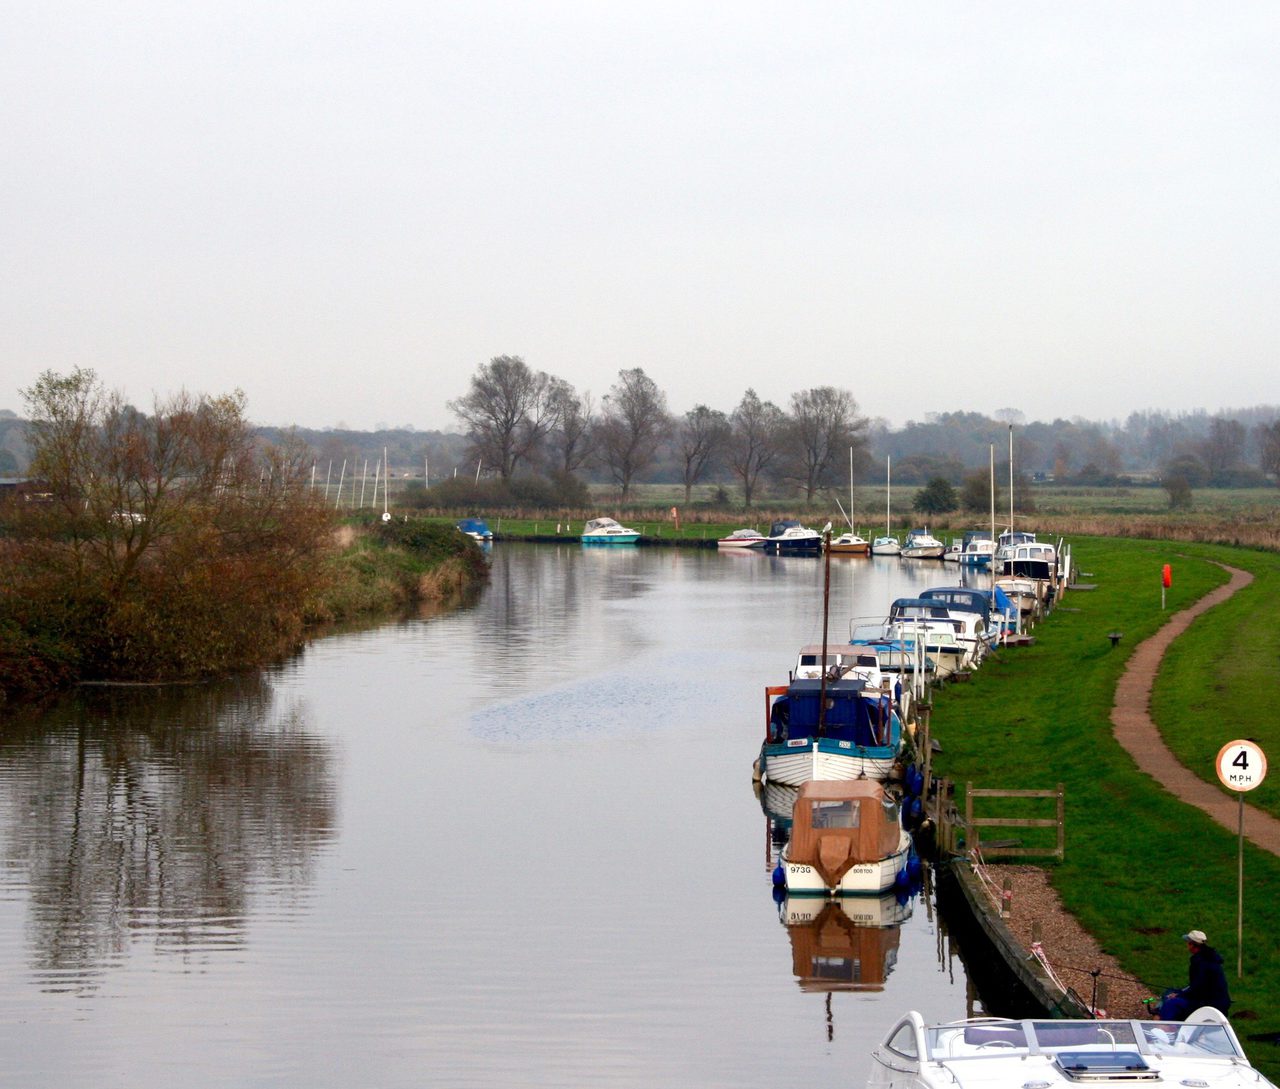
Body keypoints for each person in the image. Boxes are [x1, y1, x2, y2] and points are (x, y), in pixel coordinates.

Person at [1158, 929, 1231, 1020]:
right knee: (1171, 993)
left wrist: (1180, 994)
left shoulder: (1200, 962)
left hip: (1208, 1003)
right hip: (1219, 1001)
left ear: (1192, 945)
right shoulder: (1210, 957)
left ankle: (1164, 1025)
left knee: (1170, 1001)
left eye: (1188, 942)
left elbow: (1197, 988)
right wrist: (1181, 992)